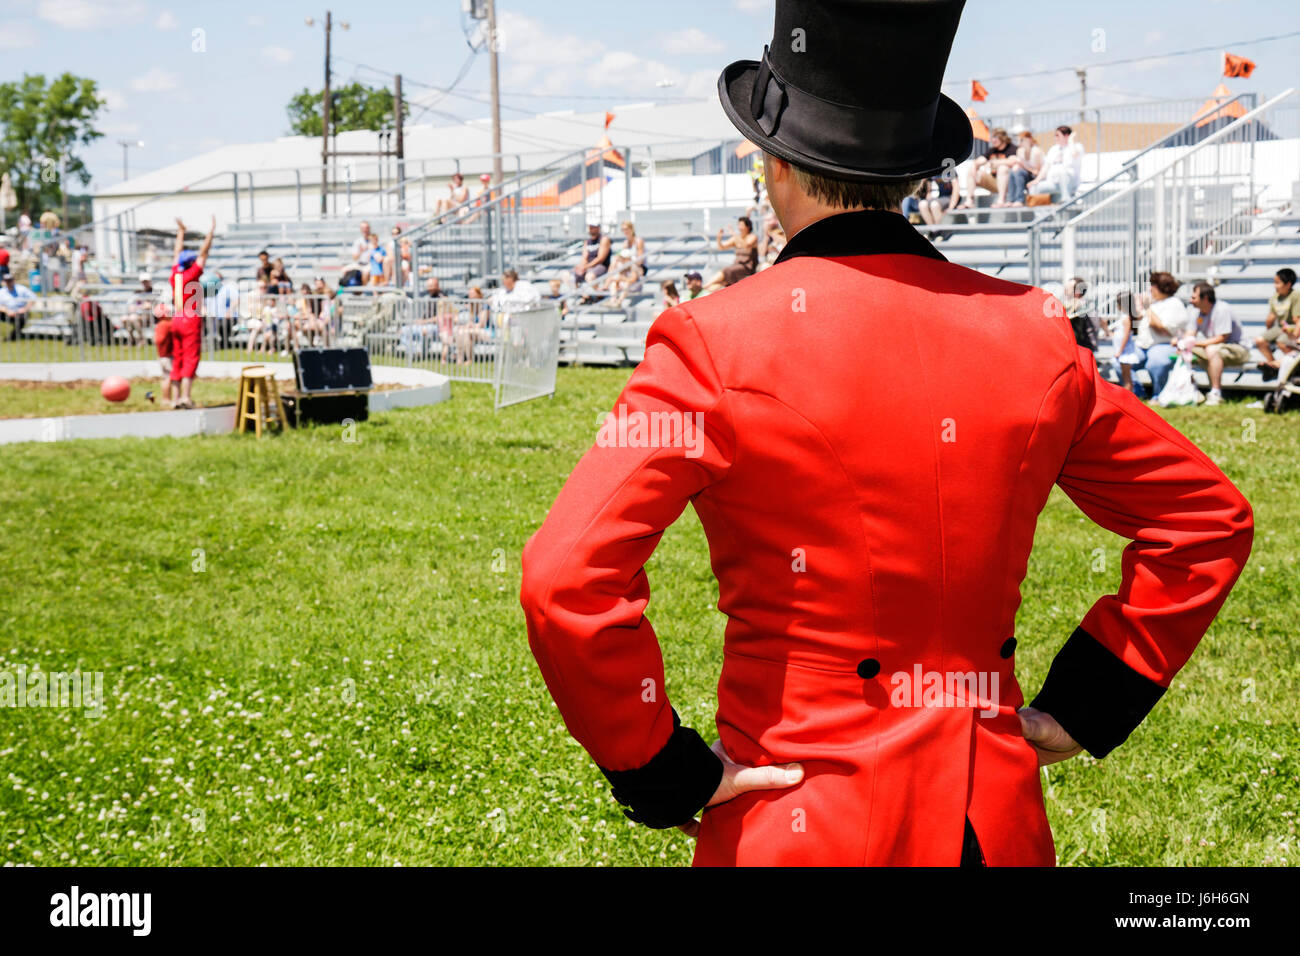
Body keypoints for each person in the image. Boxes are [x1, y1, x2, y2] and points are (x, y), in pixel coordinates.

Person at [519, 0, 1253, 868]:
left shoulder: (713, 340)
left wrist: (660, 769)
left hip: (798, 819)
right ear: (911, 174)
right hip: (989, 823)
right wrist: (1090, 703)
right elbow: (1206, 520)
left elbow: (566, 579)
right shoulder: (1033, 332)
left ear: (772, 167)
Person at [167, 215, 215, 409]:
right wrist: (211, 234)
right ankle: (186, 397)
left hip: (176, 318)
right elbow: (204, 254)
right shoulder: (192, 274)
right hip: (190, 318)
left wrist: (181, 232)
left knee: (177, 357)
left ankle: (175, 398)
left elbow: (176, 252)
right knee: (190, 357)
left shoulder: (175, 275)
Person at [1188, 283, 1247, 405]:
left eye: (1194, 298)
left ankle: (1216, 393)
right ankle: (1191, 390)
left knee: (1212, 350)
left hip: (1237, 348)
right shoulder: (1196, 312)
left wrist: (1196, 343)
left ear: (1205, 299)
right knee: (1183, 351)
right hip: (1213, 347)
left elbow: (1222, 337)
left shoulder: (1222, 309)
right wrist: (1183, 343)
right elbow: (1190, 334)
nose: (1190, 300)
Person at [1136, 270, 1189, 400]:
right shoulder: (1154, 303)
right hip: (1143, 345)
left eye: (1153, 285)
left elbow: (1160, 327)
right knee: (1120, 361)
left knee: (1155, 363)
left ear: (1161, 287)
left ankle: (1158, 395)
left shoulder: (1174, 304)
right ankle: (1137, 393)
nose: (1150, 289)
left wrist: (1147, 307)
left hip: (1164, 345)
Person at [1254, 267, 1298, 381]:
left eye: (1278, 283)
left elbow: (1297, 320)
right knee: (1260, 340)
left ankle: (1287, 367)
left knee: (1282, 341)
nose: (1275, 286)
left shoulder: (1295, 296)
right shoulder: (1275, 297)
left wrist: (1295, 336)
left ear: (1288, 284)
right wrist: (1269, 332)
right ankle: (1273, 365)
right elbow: (1271, 317)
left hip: (1292, 328)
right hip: (1280, 327)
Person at [959, 126, 1017, 208]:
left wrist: (996, 162)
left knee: (1003, 168)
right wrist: (975, 166)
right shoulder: (992, 150)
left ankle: (1001, 201)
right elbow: (979, 161)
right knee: (972, 169)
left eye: (996, 137)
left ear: (1003, 138)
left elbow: (1013, 161)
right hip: (994, 182)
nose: (993, 140)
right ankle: (969, 201)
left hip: (1009, 184)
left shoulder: (1012, 148)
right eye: (992, 137)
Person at [1028, 126, 1085, 203]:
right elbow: (1046, 167)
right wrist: (1037, 180)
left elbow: (1075, 154)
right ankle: (1040, 214)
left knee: (1061, 170)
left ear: (1066, 136)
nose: (1055, 137)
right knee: (1034, 188)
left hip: (1070, 182)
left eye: (1057, 135)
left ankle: (1066, 199)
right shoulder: (1053, 149)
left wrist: (1071, 140)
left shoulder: (1076, 146)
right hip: (1053, 182)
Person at [705, 216, 759, 290]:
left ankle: (706, 286)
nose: (739, 227)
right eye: (739, 225)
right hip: (737, 266)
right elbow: (721, 247)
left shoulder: (752, 237)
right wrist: (719, 238)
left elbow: (746, 245)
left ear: (748, 227)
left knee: (727, 271)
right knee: (723, 281)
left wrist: (733, 234)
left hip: (748, 267)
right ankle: (706, 289)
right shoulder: (736, 238)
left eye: (741, 225)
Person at [1007, 129, 1044, 206]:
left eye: (1021, 140)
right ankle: (1012, 199)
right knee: (1013, 171)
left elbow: (1037, 172)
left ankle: (1019, 200)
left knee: (1018, 172)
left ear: (1029, 140)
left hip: (1035, 177)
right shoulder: (1020, 151)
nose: (1019, 143)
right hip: (1025, 175)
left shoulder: (1036, 152)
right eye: (1018, 141)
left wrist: (1022, 164)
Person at [0, 269, 37, 341]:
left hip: (20, 312)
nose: (8, 282)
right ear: (3, 282)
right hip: (6, 312)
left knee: (21, 319)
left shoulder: (21, 289)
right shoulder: (1, 291)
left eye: (10, 280)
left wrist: (24, 309)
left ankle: (12, 337)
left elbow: (33, 298)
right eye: (6, 281)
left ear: (13, 280)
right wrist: (7, 311)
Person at [573, 221, 612, 286]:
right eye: (590, 227)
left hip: (601, 266)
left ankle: (599, 294)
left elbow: (600, 259)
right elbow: (584, 257)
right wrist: (581, 267)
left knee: (589, 276)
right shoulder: (587, 241)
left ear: (598, 228)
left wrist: (586, 267)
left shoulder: (604, 239)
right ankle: (584, 295)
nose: (591, 229)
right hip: (589, 266)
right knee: (568, 275)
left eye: (593, 227)